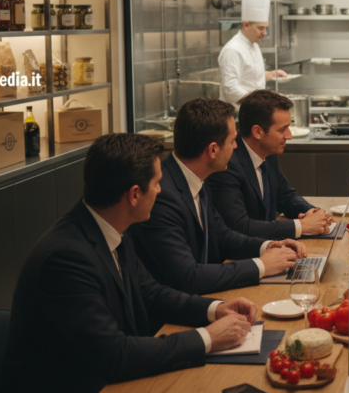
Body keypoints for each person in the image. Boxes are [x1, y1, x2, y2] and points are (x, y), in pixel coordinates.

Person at [0, 134, 261, 393]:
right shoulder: (65, 259)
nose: (161, 191)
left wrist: (216, 309)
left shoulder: (108, 227)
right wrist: (208, 338)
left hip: (107, 384)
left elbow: (152, 293)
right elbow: (115, 355)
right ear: (134, 194)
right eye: (157, 183)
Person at [131, 98, 306, 296]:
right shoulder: (161, 196)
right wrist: (261, 266)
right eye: (232, 141)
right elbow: (188, 277)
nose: (236, 147)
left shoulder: (195, 176)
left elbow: (221, 235)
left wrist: (268, 246)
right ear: (213, 150)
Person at [206, 90, 333, 240]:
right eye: (282, 129)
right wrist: (301, 226)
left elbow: (286, 196)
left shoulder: (267, 154)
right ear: (257, 132)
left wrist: (313, 213)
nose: (289, 136)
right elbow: (239, 226)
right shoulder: (227, 164)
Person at [219, 0, 287, 107]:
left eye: (266, 28)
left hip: (254, 113)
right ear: (246, 24)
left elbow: (249, 77)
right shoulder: (233, 50)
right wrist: (259, 104)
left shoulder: (253, 44)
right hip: (239, 115)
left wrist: (270, 75)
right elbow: (230, 88)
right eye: (260, 28)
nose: (265, 33)